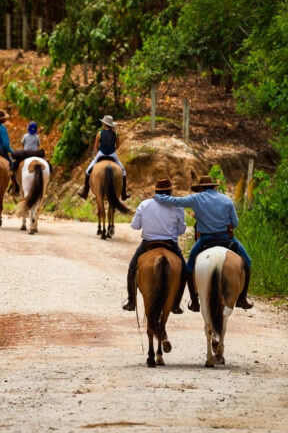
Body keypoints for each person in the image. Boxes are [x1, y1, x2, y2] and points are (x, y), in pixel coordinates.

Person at [153, 175, 253, 312]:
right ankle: (242, 298)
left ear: (200, 188)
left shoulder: (196, 198)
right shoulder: (226, 199)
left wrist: (158, 197)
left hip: (205, 240)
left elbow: (174, 201)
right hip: (227, 239)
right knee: (247, 262)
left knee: (189, 267)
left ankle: (194, 301)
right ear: (214, 187)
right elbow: (235, 223)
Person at [123, 178, 189, 314]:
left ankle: (131, 302)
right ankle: (176, 305)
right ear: (170, 191)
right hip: (170, 244)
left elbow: (135, 226)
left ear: (156, 191)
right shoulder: (177, 206)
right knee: (184, 271)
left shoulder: (144, 204)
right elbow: (182, 230)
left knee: (132, 269)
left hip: (148, 243)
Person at [78, 115, 128, 200]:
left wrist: (99, 152)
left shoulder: (99, 133)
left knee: (87, 171)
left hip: (101, 154)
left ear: (104, 124)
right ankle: (123, 193)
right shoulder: (116, 134)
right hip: (112, 154)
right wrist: (111, 149)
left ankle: (85, 192)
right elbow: (118, 146)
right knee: (123, 172)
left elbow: (95, 147)